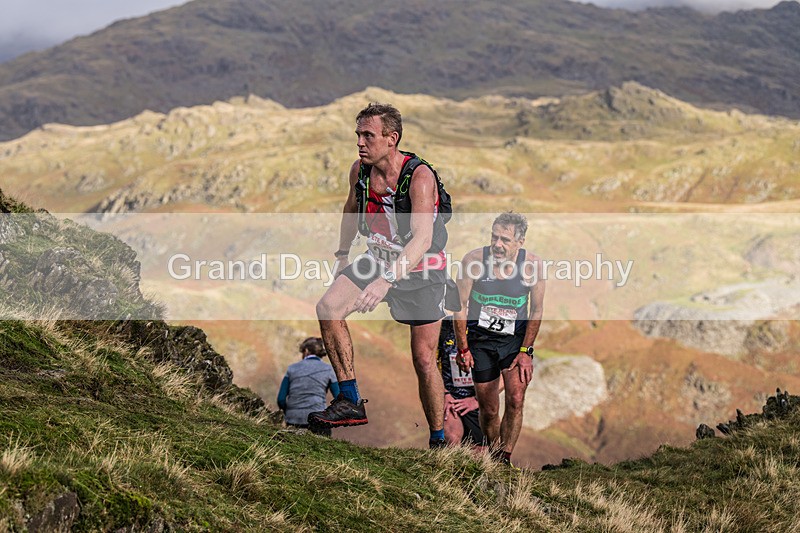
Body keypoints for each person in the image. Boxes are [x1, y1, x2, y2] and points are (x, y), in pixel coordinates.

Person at [309, 102, 452, 448]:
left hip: (420, 270)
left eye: (368, 135)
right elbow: (349, 208)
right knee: (328, 308)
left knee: (423, 358)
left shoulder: (419, 178)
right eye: (358, 134)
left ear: (392, 138)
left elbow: (423, 238)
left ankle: (438, 439)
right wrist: (342, 254)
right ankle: (350, 400)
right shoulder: (359, 170)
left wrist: (386, 279)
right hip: (376, 257)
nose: (360, 142)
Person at [453, 212, 545, 465]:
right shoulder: (474, 261)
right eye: (494, 237)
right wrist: (463, 348)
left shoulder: (532, 266)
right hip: (481, 341)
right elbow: (459, 305)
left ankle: (504, 458)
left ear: (520, 242)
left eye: (505, 239)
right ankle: (493, 454)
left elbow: (536, 310)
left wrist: (526, 351)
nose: (497, 244)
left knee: (515, 399)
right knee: (489, 408)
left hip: (513, 342)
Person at [437, 316, 487, 451]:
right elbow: (430, 365)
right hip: (449, 397)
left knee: (480, 453)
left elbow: (503, 374)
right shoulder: (443, 326)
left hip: (478, 400)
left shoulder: (487, 326)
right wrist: (444, 394)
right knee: (451, 438)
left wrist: (477, 400)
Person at [277, 337, 340, 437]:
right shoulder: (329, 370)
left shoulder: (292, 369)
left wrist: (289, 411)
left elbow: (281, 399)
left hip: (293, 419)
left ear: (306, 351)